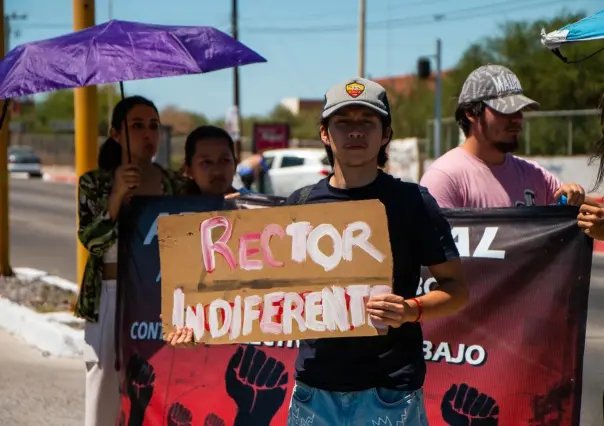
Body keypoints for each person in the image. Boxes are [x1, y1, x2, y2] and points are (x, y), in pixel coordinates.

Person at [167, 77, 469, 425]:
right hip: (314, 392)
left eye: (367, 122)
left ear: (385, 134)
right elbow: (257, 295)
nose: (355, 132)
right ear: (325, 133)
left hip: (390, 393)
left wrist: (409, 310)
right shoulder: (301, 204)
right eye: (343, 122)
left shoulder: (413, 202)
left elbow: (456, 289)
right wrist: (195, 324)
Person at [76, 95, 181, 426]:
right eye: (137, 125)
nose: (148, 133)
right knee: (105, 385)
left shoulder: (174, 184)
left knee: (156, 383)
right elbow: (92, 241)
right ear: (115, 134)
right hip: (111, 293)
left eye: (153, 126)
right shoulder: (95, 183)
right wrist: (117, 197)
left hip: (157, 296)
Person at [420, 64, 585, 208]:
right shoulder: (444, 178)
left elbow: (590, 212)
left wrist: (575, 194)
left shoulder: (534, 176)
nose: (518, 119)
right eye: (505, 110)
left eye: (520, 110)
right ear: (471, 112)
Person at [181, 125, 253, 196]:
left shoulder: (256, 205)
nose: (217, 171)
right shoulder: (177, 206)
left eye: (224, 160)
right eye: (206, 162)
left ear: (235, 165)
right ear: (189, 170)